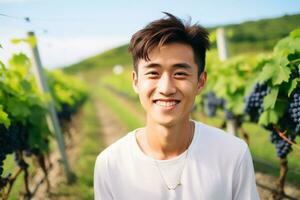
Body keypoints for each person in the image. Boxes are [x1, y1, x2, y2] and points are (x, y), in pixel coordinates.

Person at [94, 12, 260, 200]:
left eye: (180, 74)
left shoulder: (233, 155)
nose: (166, 88)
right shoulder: (110, 164)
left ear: (200, 82)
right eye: (153, 74)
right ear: (135, 81)